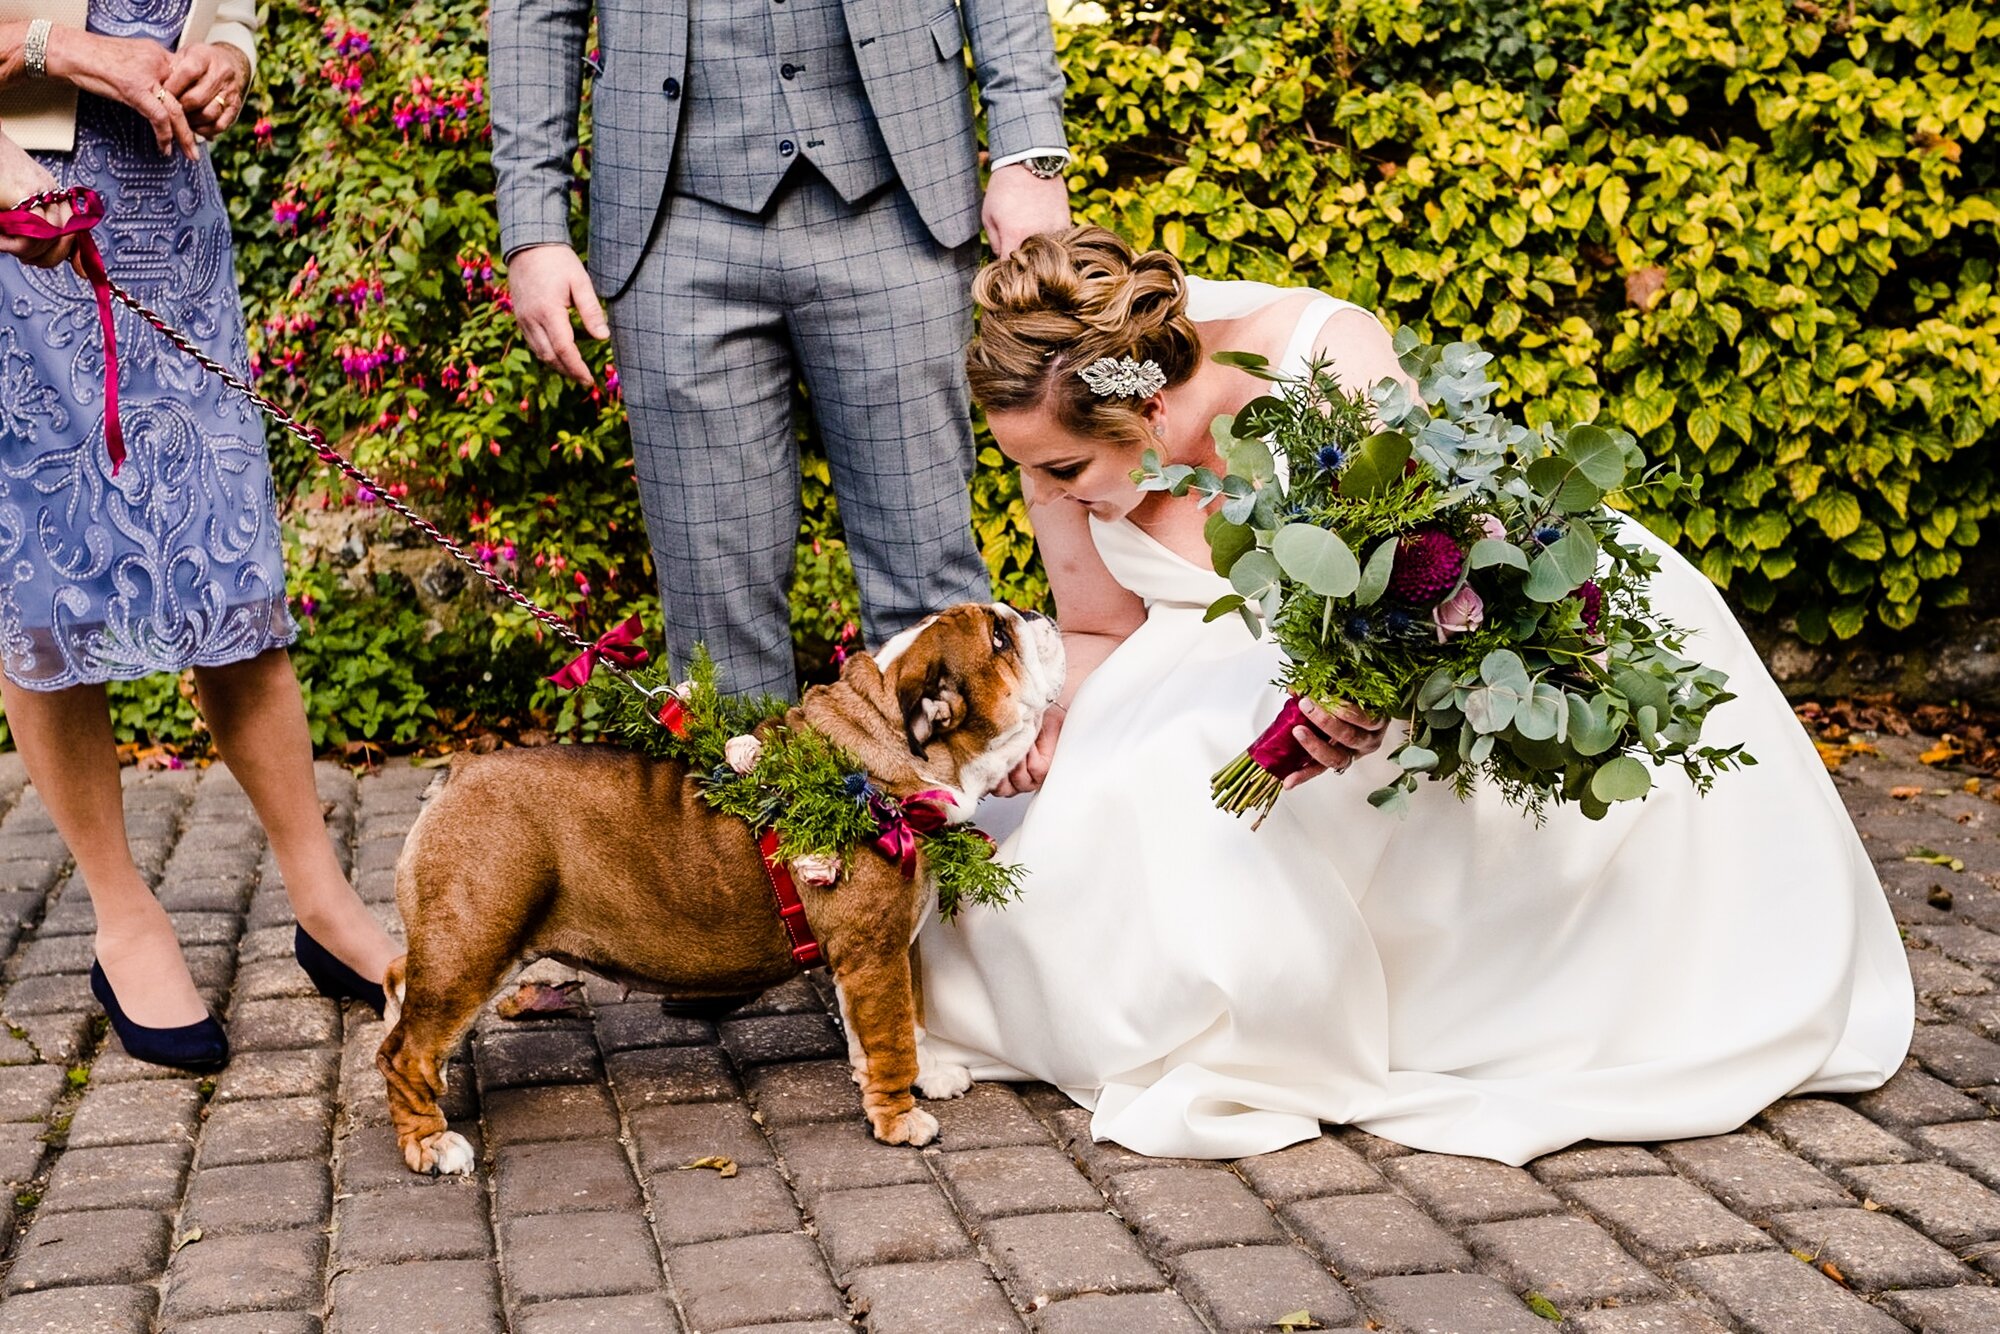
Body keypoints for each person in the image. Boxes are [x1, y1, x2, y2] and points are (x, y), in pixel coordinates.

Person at [914, 226, 1914, 1165]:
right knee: (1080, 822)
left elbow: (1432, 559)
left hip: (1423, 630)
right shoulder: (1057, 457)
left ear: (1146, 409)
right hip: (1196, 651)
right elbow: (1096, 629)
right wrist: (1048, 716)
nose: (1052, 489)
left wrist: (1363, 690)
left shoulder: (1317, 356)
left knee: (1196, 785)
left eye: (1065, 467)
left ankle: (1389, 996)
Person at [0, 3, 398, 1070]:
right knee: (44, 573)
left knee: (225, 554)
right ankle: (123, 914)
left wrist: (228, 49)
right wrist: (61, 52)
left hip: (166, 201)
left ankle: (320, 894)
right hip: (17, 194)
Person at [490, 0, 1070, 698]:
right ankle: (741, 810)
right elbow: (534, 11)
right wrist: (533, 230)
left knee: (928, 592)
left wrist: (1028, 156)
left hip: (897, 197)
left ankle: (941, 807)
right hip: (672, 218)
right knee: (715, 625)